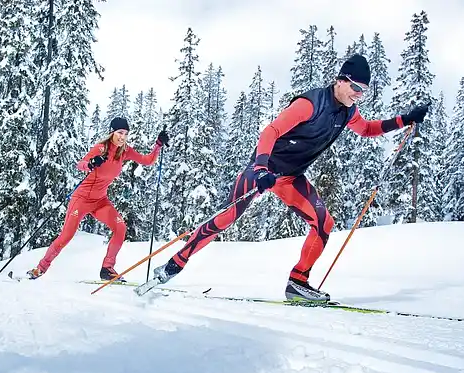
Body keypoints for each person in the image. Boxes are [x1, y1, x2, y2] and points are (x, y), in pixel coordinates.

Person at [139, 54, 429, 302]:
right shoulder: (310, 104)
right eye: (355, 86)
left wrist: (405, 119)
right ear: (340, 80)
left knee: (323, 224)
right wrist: (262, 167)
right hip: (263, 169)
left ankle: (297, 284)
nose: (358, 93)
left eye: (363, 90)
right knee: (226, 218)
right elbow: (270, 132)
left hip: (290, 178)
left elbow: (367, 129)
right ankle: (173, 265)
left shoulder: (348, 112)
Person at [25, 117, 169, 281]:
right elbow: (81, 164)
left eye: (126, 133)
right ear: (112, 132)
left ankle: (107, 269)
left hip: (100, 201)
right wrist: (91, 164)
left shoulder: (125, 151)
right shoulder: (101, 149)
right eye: (120, 132)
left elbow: (147, 160)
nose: (123, 137)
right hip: (81, 199)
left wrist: (158, 145)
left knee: (120, 227)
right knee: (66, 236)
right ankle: (40, 268)